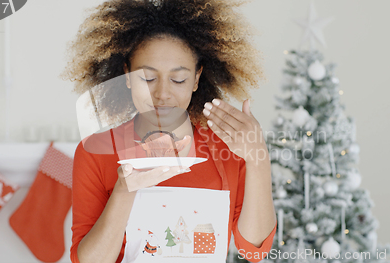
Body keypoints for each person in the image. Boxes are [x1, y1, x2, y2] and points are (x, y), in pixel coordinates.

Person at [60, 0, 277, 262]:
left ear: (197, 78)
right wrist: (123, 191)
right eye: (148, 78)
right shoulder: (95, 151)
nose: (162, 94)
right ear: (127, 75)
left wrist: (258, 158)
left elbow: (254, 250)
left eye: (178, 79)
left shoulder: (228, 148)